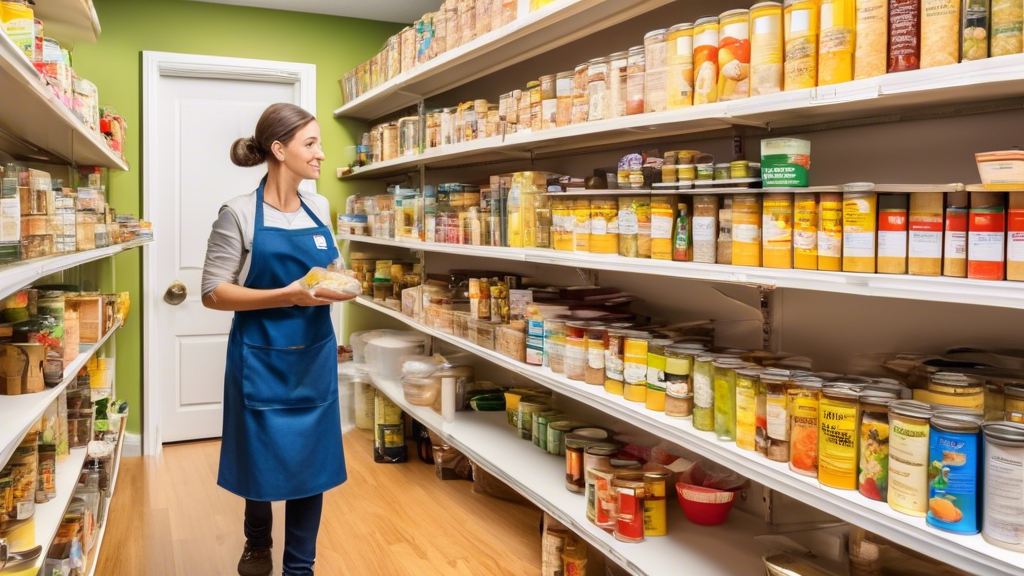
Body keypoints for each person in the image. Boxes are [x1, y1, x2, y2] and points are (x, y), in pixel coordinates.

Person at [201, 103, 353, 576]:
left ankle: (299, 569)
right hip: (260, 359)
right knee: (260, 458)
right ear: (279, 149)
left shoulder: (321, 207)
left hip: (313, 358)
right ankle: (258, 539)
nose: (321, 154)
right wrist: (288, 295)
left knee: (313, 464)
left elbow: (331, 270)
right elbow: (213, 292)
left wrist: (344, 280)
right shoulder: (239, 213)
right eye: (311, 143)